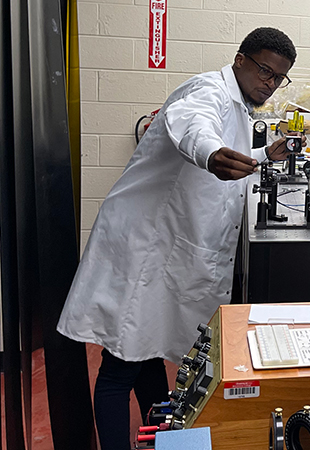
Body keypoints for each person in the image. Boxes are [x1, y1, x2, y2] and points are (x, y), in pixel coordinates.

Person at [57, 27, 297, 449]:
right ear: (240, 59)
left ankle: (166, 440)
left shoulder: (238, 104)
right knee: (120, 366)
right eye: (264, 70)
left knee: (147, 355)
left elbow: (224, 150)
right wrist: (208, 154)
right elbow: (193, 125)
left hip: (164, 251)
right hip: (145, 253)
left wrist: (262, 155)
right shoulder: (210, 90)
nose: (270, 83)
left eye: (278, 78)